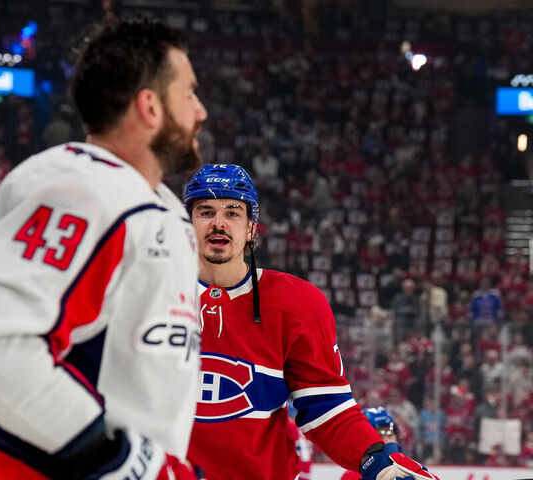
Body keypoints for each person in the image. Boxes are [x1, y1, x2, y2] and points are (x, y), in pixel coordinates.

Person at [0, 18, 207, 480]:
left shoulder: (159, 208)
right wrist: (116, 458)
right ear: (150, 106)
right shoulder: (79, 186)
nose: (200, 111)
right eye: (189, 93)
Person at [183, 164, 439, 480]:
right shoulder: (147, 294)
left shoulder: (297, 303)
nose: (219, 223)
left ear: (251, 228)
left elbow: (327, 408)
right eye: (206, 212)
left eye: (233, 212)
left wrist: (377, 462)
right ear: (186, 223)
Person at [341, 407, 401, 480]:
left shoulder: (409, 469)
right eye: (379, 435)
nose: (387, 441)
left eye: (390, 434)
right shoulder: (351, 477)